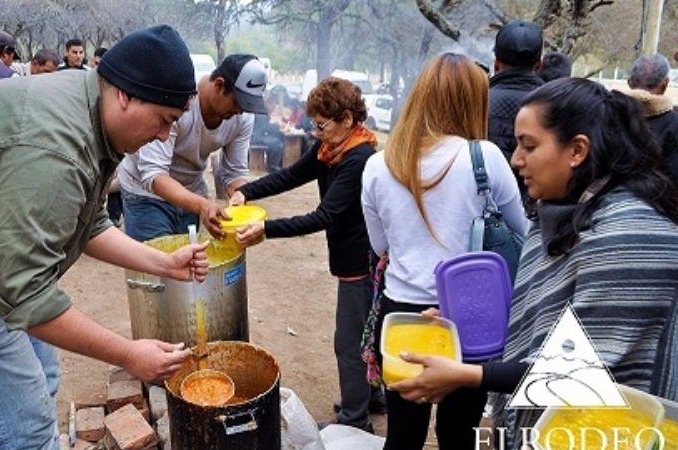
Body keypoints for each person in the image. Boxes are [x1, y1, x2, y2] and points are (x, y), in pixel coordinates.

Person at [0, 25, 207, 449]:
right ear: (126, 94)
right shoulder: (54, 147)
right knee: (23, 431)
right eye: (164, 121)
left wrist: (163, 262)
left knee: (45, 375)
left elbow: (88, 224)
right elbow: (25, 295)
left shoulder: (91, 105)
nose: (164, 136)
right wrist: (129, 355)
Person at [387, 78, 678, 448]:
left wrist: (467, 376)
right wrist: (467, 322)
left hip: (611, 430)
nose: (515, 159)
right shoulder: (562, 215)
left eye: (529, 146)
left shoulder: (632, 235)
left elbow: (578, 369)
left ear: (577, 150)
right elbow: (543, 314)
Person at [361, 53, 528, 450]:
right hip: (470, 318)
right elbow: (523, 230)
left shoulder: (379, 164)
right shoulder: (484, 157)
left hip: (400, 314)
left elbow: (380, 246)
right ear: (473, 100)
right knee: (460, 435)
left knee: (402, 436)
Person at [230, 77, 385, 433]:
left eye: (322, 125)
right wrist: (247, 193)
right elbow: (289, 176)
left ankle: (355, 419)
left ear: (347, 118)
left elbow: (324, 216)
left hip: (361, 262)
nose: (315, 133)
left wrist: (265, 230)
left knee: (349, 342)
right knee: (366, 334)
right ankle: (372, 397)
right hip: (350, 258)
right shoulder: (330, 149)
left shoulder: (358, 158)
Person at [117, 53, 268, 242]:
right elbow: (154, 174)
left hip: (191, 194)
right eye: (238, 102)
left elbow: (235, 173)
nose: (240, 111)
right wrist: (202, 206)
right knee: (156, 267)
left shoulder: (242, 117)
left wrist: (240, 201)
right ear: (219, 85)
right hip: (146, 194)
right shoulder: (179, 101)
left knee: (185, 267)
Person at [489, 20, 544, 196]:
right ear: (538, 65)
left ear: (496, 64)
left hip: (481, 211)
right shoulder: (555, 104)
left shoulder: (476, 101)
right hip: (537, 212)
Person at [625, 53, 678, 178]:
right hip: (654, 195)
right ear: (664, 85)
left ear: (629, 82)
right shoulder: (674, 124)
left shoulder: (605, 111)